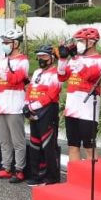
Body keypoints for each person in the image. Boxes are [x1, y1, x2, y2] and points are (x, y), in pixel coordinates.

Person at [0, 29, 29, 182]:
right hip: (2, 104)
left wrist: (1, 73)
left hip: (15, 106)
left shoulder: (23, 61)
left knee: (18, 141)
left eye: (7, 42)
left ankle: (19, 170)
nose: (4, 45)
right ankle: (6, 168)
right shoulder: (3, 61)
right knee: (4, 140)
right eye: (3, 42)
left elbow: (17, 79)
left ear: (16, 43)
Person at [59, 27, 101, 163]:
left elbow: (88, 76)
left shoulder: (100, 61)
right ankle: (75, 174)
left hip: (88, 109)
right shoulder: (75, 59)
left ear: (91, 42)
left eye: (81, 41)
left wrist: (75, 58)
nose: (78, 44)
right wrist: (62, 59)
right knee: (73, 146)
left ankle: (94, 174)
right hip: (72, 106)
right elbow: (62, 76)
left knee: (89, 146)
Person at [25, 45, 62, 186]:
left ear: (52, 58)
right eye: (39, 56)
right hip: (33, 109)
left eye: (44, 56)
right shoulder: (36, 72)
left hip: (48, 110)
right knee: (34, 143)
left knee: (48, 145)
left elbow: (51, 95)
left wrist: (32, 107)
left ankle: (51, 177)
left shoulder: (57, 73)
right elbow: (30, 89)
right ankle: (36, 176)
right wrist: (26, 105)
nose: (41, 59)